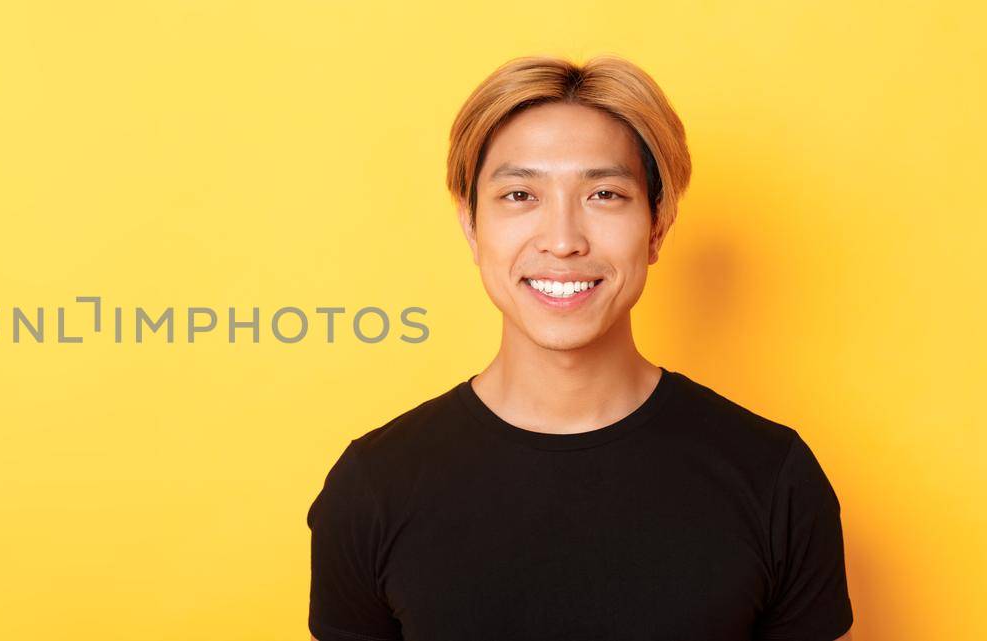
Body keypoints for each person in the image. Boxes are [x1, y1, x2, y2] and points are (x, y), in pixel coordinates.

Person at [306, 55, 854, 641]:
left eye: (604, 194)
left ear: (658, 226)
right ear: (471, 227)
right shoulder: (372, 490)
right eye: (519, 194)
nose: (563, 241)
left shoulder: (774, 480)